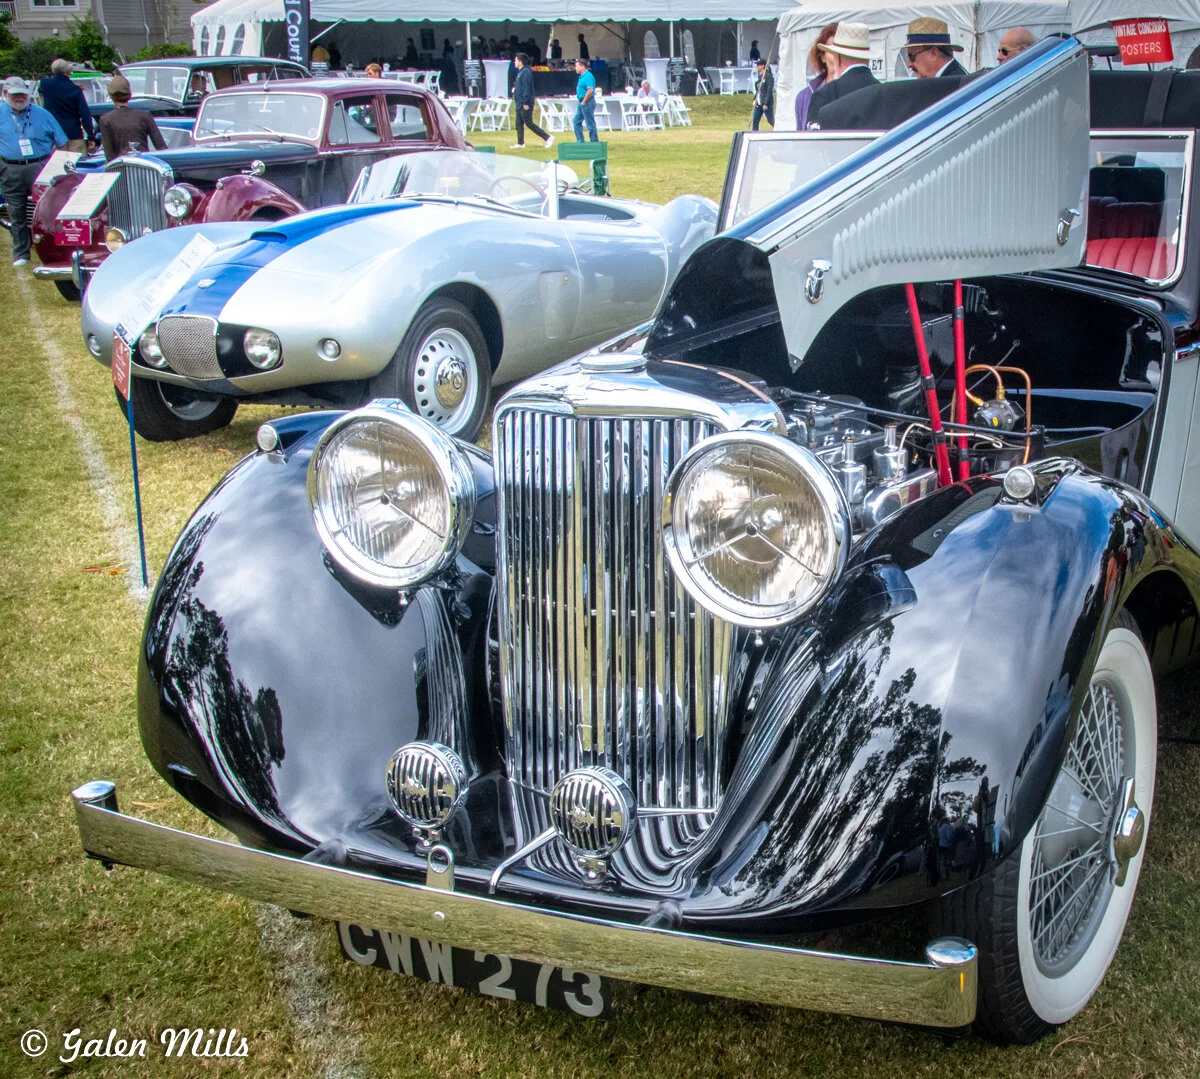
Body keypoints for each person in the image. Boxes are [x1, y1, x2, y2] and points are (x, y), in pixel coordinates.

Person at [1, 76, 67, 267]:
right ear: (5, 94)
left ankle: (54, 252)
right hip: (10, 168)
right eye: (15, 95)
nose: (19, 98)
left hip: (40, 166)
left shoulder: (43, 114)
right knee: (16, 212)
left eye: (22, 94)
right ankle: (21, 254)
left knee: (48, 209)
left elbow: (62, 142)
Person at [806, 22, 878, 129]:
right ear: (867, 58)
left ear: (838, 57)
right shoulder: (884, 94)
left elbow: (813, 144)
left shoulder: (824, 95)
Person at [98, 75, 166, 161]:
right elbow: (161, 147)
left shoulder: (106, 120)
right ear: (130, 94)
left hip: (122, 167)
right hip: (144, 164)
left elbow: (109, 155)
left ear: (111, 96)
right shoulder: (145, 115)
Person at [38, 59, 95, 155]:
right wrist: (90, 136)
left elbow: (43, 90)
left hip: (54, 135)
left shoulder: (45, 84)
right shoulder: (75, 90)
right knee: (77, 166)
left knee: (57, 167)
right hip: (74, 133)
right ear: (68, 72)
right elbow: (85, 113)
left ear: (53, 70)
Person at [795, 23, 837, 131]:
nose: (838, 57)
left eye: (842, 52)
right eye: (832, 51)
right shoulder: (804, 97)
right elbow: (800, 140)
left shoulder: (861, 91)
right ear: (822, 56)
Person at [511, 53, 554, 149]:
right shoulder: (520, 72)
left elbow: (527, 87)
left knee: (528, 122)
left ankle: (547, 137)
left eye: (516, 60)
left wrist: (526, 101)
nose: (515, 62)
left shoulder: (526, 71)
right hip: (519, 102)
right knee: (518, 123)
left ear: (520, 61)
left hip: (524, 102)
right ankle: (520, 142)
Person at [573, 57, 598, 143]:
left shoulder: (588, 76)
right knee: (576, 121)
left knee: (590, 124)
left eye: (576, 66)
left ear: (582, 66)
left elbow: (590, 90)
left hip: (587, 102)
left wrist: (584, 101)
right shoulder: (581, 77)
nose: (575, 68)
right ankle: (580, 140)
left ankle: (594, 142)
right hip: (581, 102)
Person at [751, 57, 774, 130]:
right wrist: (755, 99)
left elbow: (769, 91)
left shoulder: (769, 77)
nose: (757, 67)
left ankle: (778, 130)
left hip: (765, 103)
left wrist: (766, 103)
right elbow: (758, 90)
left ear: (763, 66)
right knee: (755, 120)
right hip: (759, 103)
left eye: (758, 65)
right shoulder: (760, 77)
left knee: (770, 120)